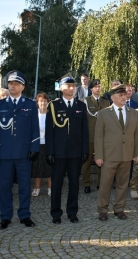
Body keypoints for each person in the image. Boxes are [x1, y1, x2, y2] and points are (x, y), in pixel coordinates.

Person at [94, 84, 138, 221]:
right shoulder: (103, 113)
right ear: (112, 97)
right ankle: (102, 209)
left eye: (125, 94)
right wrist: (98, 155)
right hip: (109, 155)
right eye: (120, 95)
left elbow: (137, 135)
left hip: (127, 154)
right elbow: (98, 136)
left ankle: (119, 208)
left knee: (122, 183)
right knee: (105, 183)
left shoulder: (134, 113)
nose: (124, 97)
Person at [45, 75, 89, 224]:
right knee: (56, 184)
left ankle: (72, 212)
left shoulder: (81, 106)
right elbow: (49, 131)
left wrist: (85, 150)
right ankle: (56, 213)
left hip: (75, 152)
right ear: (61, 88)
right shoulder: (53, 105)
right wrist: (49, 151)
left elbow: (85, 131)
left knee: (74, 184)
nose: (71, 88)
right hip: (58, 152)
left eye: (73, 86)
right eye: (68, 86)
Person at [0, 70, 39, 229]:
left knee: (24, 186)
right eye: (10, 83)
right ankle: (5, 216)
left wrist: (34, 147)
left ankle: (24, 215)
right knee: (4, 186)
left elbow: (35, 129)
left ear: (22, 86)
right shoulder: (1, 105)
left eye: (16, 84)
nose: (12, 86)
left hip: (24, 154)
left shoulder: (30, 105)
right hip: (4, 153)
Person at [81, 79, 110, 193]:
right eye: (95, 87)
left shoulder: (106, 102)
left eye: (99, 86)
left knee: (102, 160)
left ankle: (100, 182)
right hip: (90, 136)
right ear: (91, 89)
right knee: (87, 161)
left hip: (103, 136)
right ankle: (86, 183)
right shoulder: (85, 101)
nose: (98, 88)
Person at [31, 93, 51, 197]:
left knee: (49, 167)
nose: (43, 103)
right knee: (37, 168)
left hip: (48, 145)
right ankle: (37, 188)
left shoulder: (51, 115)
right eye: (40, 101)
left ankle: (50, 188)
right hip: (37, 145)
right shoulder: (34, 115)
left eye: (44, 101)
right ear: (37, 103)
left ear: (48, 102)